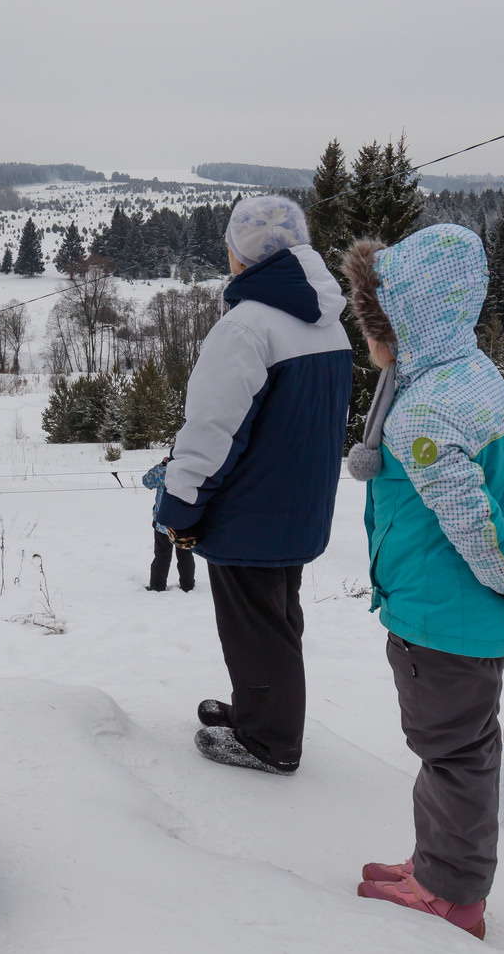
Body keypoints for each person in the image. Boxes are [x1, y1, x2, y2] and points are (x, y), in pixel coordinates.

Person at [341, 225, 504, 939]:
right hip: (449, 613)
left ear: (404, 324)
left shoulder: (424, 413)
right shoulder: (463, 373)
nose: (366, 341)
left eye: (373, 325)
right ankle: (437, 863)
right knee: (452, 750)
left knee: (455, 754)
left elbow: (473, 523)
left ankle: (452, 893)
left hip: (444, 620)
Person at [154, 195, 353, 777]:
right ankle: (257, 709)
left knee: (257, 626)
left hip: (251, 507)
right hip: (296, 501)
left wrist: (181, 502)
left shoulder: (246, 327)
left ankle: (269, 740)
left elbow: (212, 430)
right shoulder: (325, 322)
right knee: (276, 617)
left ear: (244, 256)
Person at [139, 452, 195, 592]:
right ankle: (187, 586)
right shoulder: (192, 471)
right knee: (185, 554)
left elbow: (147, 481)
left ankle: (157, 586)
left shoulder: (165, 471)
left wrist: (162, 465)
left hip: (163, 521)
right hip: (186, 520)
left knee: (162, 555)